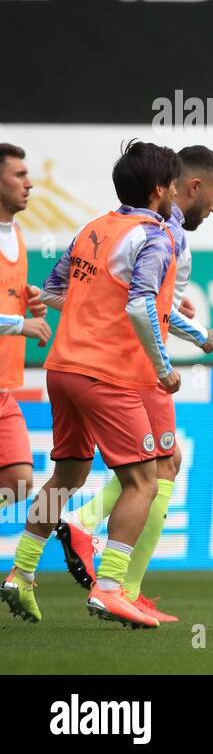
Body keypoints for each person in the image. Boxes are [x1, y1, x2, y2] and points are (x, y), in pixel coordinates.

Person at [2, 140, 182, 629]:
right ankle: (110, 588)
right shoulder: (154, 236)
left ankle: (20, 572)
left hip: (62, 368)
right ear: (161, 190)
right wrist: (163, 367)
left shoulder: (93, 228)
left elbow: (57, 291)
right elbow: (141, 304)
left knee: (68, 477)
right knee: (144, 480)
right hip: (107, 374)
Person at [54, 145, 213, 623]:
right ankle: (115, 576)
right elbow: (141, 303)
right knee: (158, 469)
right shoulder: (160, 230)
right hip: (135, 364)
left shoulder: (122, 226)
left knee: (161, 463)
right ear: (187, 187)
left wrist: (178, 305)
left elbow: (122, 291)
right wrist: (196, 336)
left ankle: (111, 566)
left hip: (93, 362)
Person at [0, 143, 53, 520]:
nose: (29, 183)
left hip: (3, 389)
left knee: (19, 481)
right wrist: (21, 324)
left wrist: (26, 301)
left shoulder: (16, 234)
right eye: (19, 175)